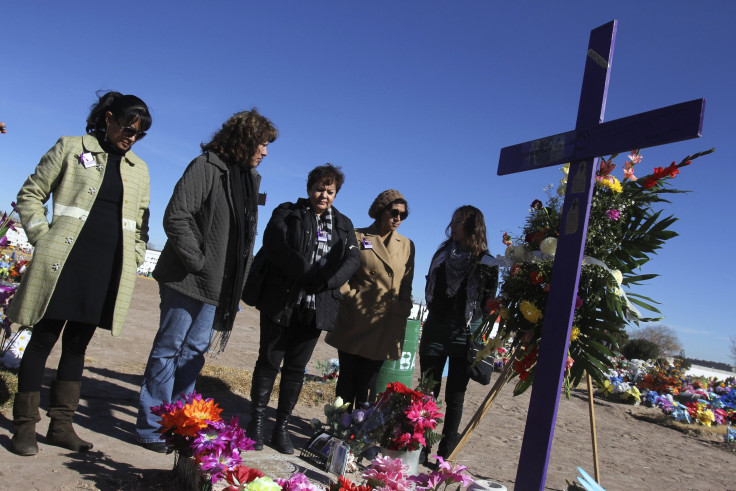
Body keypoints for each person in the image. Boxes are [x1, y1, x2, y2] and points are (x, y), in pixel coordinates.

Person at [8, 91, 152, 456]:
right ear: (108, 118)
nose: (130, 137)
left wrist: (134, 255)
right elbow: (30, 194)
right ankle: (24, 428)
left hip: (105, 269)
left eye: (139, 134)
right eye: (126, 128)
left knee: (77, 347)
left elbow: (141, 224)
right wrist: (43, 237)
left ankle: (61, 426)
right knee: (42, 340)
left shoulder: (140, 170)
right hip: (62, 263)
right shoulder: (72, 147)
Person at [135, 109, 277, 452]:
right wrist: (198, 260)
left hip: (218, 287)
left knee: (194, 353)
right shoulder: (206, 166)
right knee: (168, 350)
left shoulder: (249, 179)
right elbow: (177, 216)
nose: (265, 152)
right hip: (186, 278)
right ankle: (152, 424)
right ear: (244, 139)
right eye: (261, 143)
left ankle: (182, 423)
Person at [244, 164, 360, 454]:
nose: (324, 195)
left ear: (336, 194)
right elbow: (275, 244)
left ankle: (280, 427)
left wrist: (327, 282)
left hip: (315, 307)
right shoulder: (287, 212)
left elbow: (352, 260)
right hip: (282, 300)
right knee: (268, 362)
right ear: (309, 188)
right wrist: (306, 273)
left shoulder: (344, 225)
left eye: (330, 191)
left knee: (296, 369)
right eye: (319, 188)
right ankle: (256, 423)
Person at [419, 205, 498, 460]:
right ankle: (421, 447)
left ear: (473, 228)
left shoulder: (486, 263)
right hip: (435, 330)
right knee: (427, 390)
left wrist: (472, 327)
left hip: (465, 335)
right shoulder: (442, 253)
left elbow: (488, 303)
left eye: (459, 222)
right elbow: (430, 285)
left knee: (455, 397)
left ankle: (445, 454)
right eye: (452, 221)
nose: (453, 226)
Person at [325, 189, 415, 410]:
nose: (398, 219)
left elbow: (406, 284)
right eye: (394, 212)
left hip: (385, 321)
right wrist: (351, 296)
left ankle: (359, 434)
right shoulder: (356, 236)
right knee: (347, 378)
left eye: (403, 215)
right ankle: (339, 429)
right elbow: (339, 272)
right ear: (379, 211)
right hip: (354, 317)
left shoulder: (407, 245)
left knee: (369, 381)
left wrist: (403, 307)